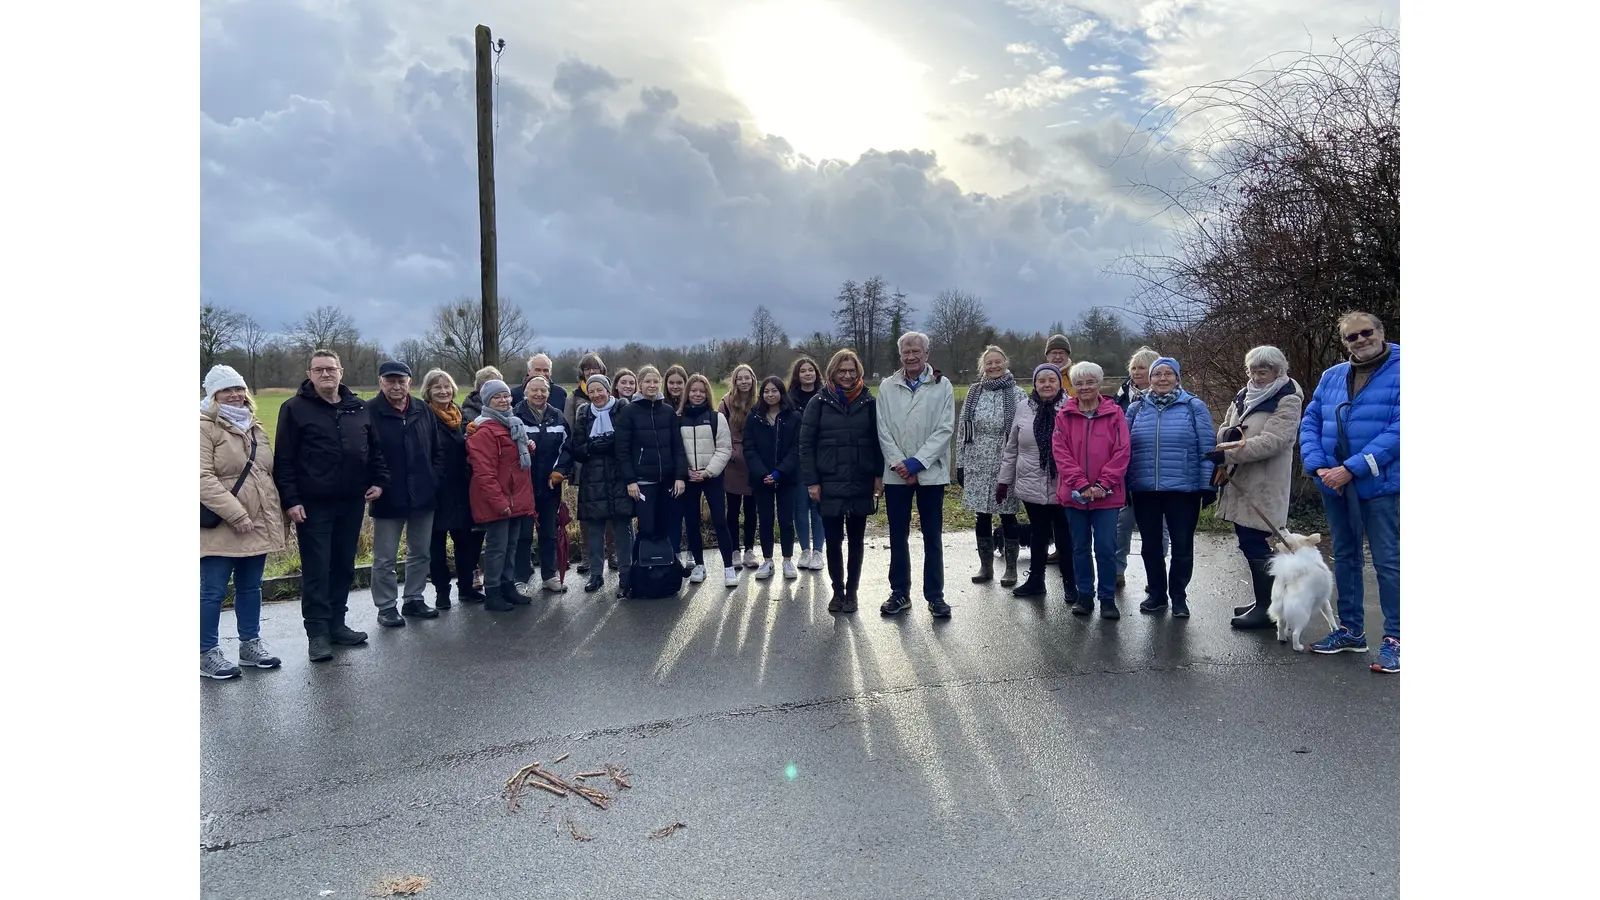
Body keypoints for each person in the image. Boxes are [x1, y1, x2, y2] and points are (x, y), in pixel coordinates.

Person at [273, 349, 388, 662]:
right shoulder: (295, 409)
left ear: (341, 372)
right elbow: (283, 459)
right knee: (317, 569)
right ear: (310, 374)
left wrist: (379, 480)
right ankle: (318, 634)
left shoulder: (358, 408)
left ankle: (338, 624)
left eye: (331, 369)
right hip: (313, 506)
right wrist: (291, 500)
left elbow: (375, 451)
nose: (326, 374)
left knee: (342, 566)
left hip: (351, 502)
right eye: (319, 369)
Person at [1301, 312, 1400, 673]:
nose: (1360, 340)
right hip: (1334, 483)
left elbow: (1400, 429)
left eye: (1366, 333)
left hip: (1380, 484)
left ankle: (1396, 639)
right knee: (1345, 557)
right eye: (1351, 337)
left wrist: (1352, 467)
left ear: (1381, 331)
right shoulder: (1331, 377)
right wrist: (1318, 467)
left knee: (1389, 562)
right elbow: (1310, 421)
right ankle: (1351, 631)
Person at [200, 365, 285, 678]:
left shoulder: (254, 426)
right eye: (227, 390)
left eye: (239, 389)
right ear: (213, 396)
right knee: (212, 591)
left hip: (257, 522)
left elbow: (265, 473)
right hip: (221, 523)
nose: (235, 395)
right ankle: (206, 651)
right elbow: (201, 477)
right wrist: (236, 514)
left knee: (251, 587)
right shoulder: (203, 426)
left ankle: (250, 645)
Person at [1210, 347, 1304, 630]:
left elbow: (1275, 440)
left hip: (1265, 482)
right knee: (1248, 542)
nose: (1257, 376)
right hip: (1241, 481)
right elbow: (1228, 427)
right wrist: (1225, 442)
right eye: (1253, 370)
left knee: (1259, 544)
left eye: (1263, 371)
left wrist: (1229, 452)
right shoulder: (1244, 394)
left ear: (1278, 371)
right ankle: (1264, 601)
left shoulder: (1287, 398)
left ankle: (1267, 608)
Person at [1124, 356, 1215, 618]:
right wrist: (1124, 483)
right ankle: (1156, 595)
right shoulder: (1136, 409)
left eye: (1168, 374)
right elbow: (1124, 450)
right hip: (1145, 489)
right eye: (1157, 374)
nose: (1162, 379)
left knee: (1182, 546)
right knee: (1150, 546)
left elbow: (1207, 448)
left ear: (1177, 377)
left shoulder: (1193, 406)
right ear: (1149, 379)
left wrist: (1207, 485)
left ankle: (1179, 597)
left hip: (1183, 490)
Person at [877, 331, 957, 618]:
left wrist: (917, 463)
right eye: (906, 352)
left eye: (916, 351)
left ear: (926, 354)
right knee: (897, 536)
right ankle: (900, 593)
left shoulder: (942, 385)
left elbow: (945, 428)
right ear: (900, 355)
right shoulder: (887, 386)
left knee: (932, 537)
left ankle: (935, 596)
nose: (911, 356)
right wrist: (900, 463)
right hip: (896, 474)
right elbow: (882, 429)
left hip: (930, 474)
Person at [800, 349, 883, 613]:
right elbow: (806, 445)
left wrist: (879, 475)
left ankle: (853, 592)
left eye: (851, 371)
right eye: (841, 371)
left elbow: (879, 442)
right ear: (832, 373)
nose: (847, 376)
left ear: (858, 372)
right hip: (829, 483)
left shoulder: (869, 403)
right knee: (833, 541)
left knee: (856, 541)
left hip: (861, 480)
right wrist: (812, 482)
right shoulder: (818, 403)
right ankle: (838, 591)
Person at [366, 360, 446, 626]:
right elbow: (364, 453)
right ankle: (386, 606)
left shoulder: (422, 410)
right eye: (390, 381)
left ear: (410, 383)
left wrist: (433, 479)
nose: (396, 386)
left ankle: (414, 599)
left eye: (401, 381)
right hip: (388, 494)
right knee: (385, 557)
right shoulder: (369, 412)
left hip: (423, 494)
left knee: (420, 552)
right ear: (381, 383)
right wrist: (376, 482)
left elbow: (437, 450)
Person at [1054, 362, 1133, 619]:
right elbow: (1061, 453)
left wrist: (1102, 485)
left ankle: (1107, 598)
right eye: (1079, 383)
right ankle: (1085, 595)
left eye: (1090, 382)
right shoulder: (1064, 416)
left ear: (1099, 384)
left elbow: (1122, 451)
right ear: (1073, 387)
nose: (1085, 387)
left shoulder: (1115, 414)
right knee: (1079, 548)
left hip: (1107, 496)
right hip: (1075, 495)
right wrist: (1081, 484)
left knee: (1106, 548)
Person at [997, 363, 1074, 600]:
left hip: (1064, 482)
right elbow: (1012, 447)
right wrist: (1004, 480)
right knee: (1038, 533)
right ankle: (1036, 580)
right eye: (1041, 380)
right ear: (1034, 384)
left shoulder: (1072, 405)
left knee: (1065, 534)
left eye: (1052, 379)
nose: (1047, 384)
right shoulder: (1024, 408)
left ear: (1059, 383)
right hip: (1030, 481)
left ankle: (1071, 583)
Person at [557, 375, 636, 595]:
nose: (596, 395)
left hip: (619, 475)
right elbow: (578, 448)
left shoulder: (621, 409)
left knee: (622, 528)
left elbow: (626, 442)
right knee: (594, 529)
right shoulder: (583, 412)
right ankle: (595, 575)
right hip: (592, 478)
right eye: (591, 391)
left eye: (600, 390)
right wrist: (593, 447)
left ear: (608, 390)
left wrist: (609, 444)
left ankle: (626, 574)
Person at [958, 345, 1027, 586]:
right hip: (977, 460)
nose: (994, 366)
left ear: (1006, 363)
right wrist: (960, 463)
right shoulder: (974, 392)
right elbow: (962, 429)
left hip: (1006, 459)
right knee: (981, 516)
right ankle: (985, 566)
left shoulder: (1018, 394)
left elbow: (1025, 431)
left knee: (1008, 515)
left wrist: (1021, 463)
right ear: (983, 367)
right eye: (989, 363)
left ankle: (1011, 568)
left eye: (998, 362)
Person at [466, 380, 536, 612]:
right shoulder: (484, 430)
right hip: (498, 500)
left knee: (511, 545)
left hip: (515, 498)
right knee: (497, 547)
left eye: (506, 396)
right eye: (498, 397)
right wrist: (499, 502)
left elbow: (512, 462)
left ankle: (508, 586)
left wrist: (527, 448)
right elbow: (484, 472)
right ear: (487, 402)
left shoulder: (512, 424)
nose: (504, 400)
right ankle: (493, 591)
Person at [421, 368, 484, 607]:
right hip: (436, 489)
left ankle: (466, 588)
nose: (443, 391)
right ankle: (442, 593)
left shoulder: (458, 416)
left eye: (446, 387)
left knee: (465, 544)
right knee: (436, 545)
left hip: (461, 488)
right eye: (437, 387)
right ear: (428, 391)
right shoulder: (424, 416)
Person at [615, 366, 686, 573]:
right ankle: (639, 573)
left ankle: (664, 571)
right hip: (642, 482)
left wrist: (680, 477)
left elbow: (677, 447)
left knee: (664, 527)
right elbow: (622, 450)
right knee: (646, 528)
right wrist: (630, 480)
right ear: (640, 384)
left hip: (667, 481)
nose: (652, 385)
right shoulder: (629, 412)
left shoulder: (668, 412)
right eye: (647, 381)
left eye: (655, 381)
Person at [676, 373, 739, 588]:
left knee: (720, 521)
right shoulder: (678, 418)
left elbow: (724, 448)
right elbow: (676, 451)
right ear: (688, 393)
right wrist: (686, 472)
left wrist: (707, 472)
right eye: (693, 390)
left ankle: (729, 567)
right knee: (692, 522)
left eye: (701, 391)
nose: (697, 394)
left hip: (711, 477)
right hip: (689, 478)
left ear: (707, 394)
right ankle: (700, 566)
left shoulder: (716, 417)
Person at [1113, 346, 1166, 590]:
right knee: (1121, 523)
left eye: (1141, 368)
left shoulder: (1165, 398)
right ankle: (1117, 570)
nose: (1136, 372)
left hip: (1155, 471)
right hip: (1125, 471)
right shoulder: (1122, 395)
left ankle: (1156, 575)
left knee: (1157, 526)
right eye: (1133, 367)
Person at [513, 375, 571, 594]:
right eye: (534, 390)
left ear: (548, 392)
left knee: (548, 533)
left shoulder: (557, 417)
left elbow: (567, 447)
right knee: (523, 535)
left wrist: (560, 470)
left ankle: (549, 575)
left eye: (543, 390)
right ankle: (520, 578)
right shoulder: (515, 416)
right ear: (526, 392)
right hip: (522, 487)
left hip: (549, 486)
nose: (539, 394)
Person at [745, 376, 802, 581]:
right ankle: (767, 560)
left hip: (787, 478)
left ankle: (788, 559)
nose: (770, 395)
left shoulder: (794, 416)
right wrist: (763, 473)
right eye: (766, 391)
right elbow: (749, 448)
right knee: (766, 519)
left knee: (786, 520)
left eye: (774, 391)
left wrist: (779, 472)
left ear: (781, 392)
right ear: (761, 394)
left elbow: (797, 448)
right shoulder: (754, 417)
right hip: (762, 479)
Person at [564, 353, 614, 577]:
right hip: (585, 462)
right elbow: (570, 430)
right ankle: (587, 555)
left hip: (611, 464)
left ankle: (613, 553)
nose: (591, 372)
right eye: (587, 369)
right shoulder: (574, 399)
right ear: (582, 373)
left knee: (613, 508)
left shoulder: (613, 398)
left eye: (595, 369)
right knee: (588, 512)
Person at [786, 356, 827, 571]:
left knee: (818, 505)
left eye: (811, 370)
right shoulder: (789, 399)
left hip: (821, 458)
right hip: (798, 458)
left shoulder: (825, 396)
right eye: (803, 371)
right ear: (797, 375)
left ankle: (818, 551)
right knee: (799, 507)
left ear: (816, 373)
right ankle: (804, 550)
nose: (807, 374)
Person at [719, 364, 760, 567]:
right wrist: (731, 453)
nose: (744, 381)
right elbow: (718, 432)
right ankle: (734, 550)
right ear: (734, 381)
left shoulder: (760, 402)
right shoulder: (725, 404)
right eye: (739, 378)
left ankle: (750, 550)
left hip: (754, 463)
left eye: (747, 377)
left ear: (753, 380)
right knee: (733, 510)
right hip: (733, 464)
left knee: (752, 510)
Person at [663, 364, 691, 562]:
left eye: (679, 382)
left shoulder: (692, 404)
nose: (675, 386)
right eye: (671, 382)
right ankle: (674, 552)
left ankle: (692, 551)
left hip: (692, 465)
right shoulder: (662, 406)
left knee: (690, 512)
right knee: (672, 513)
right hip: (669, 467)